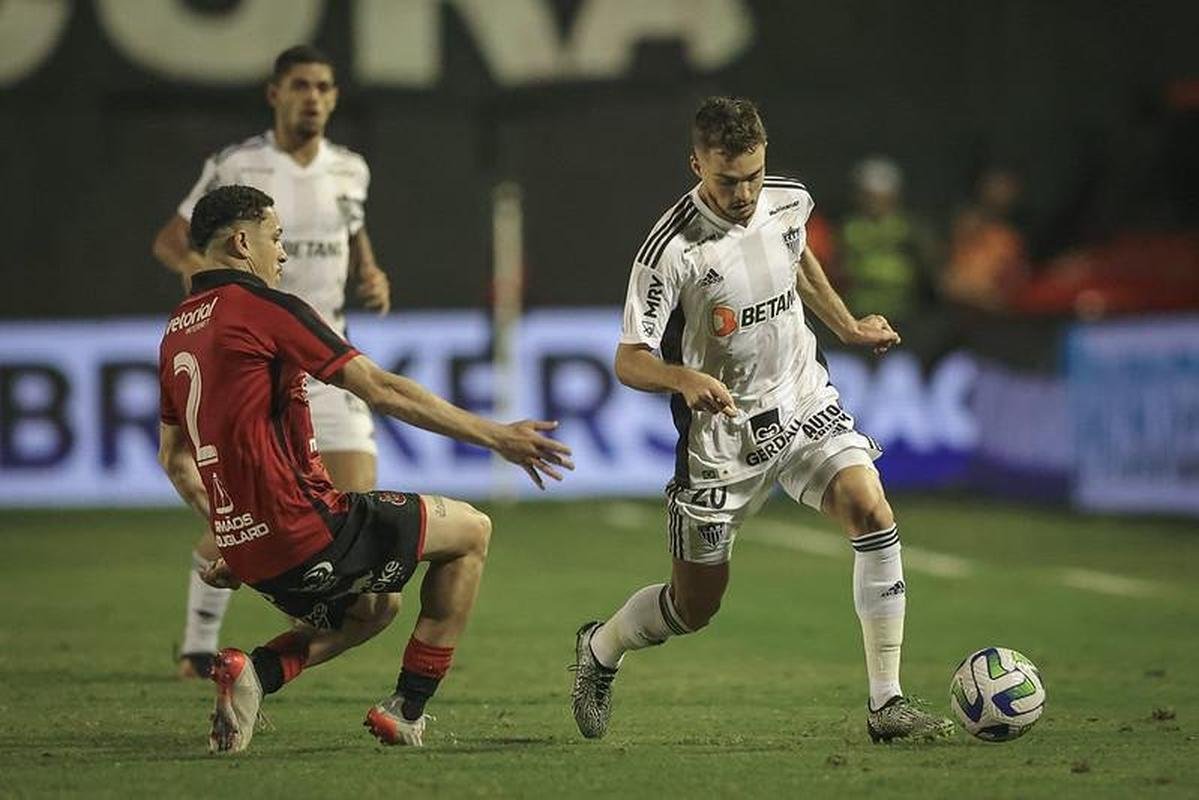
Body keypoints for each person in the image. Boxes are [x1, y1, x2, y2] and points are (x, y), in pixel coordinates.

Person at [570, 97, 954, 743]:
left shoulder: (789, 200)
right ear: (696, 165)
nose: (744, 193)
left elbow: (796, 259)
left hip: (802, 399)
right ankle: (601, 648)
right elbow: (629, 360)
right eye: (728, 180)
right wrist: (684, 378)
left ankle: (885, 703)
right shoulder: (669, 250)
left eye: (752, 174)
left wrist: (846, 325)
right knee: (693, 607)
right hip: (723, 439)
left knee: (870, 510)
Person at [158, 185, 572, 752]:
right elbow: (379, 388)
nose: (283, 253)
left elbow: (174, 458)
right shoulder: (265, 309)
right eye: (276, 238)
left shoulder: (176, 331)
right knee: (472, 531)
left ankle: (253, 673)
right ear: (241, 242)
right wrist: (495, 435)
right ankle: (407, 710)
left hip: (251, 551)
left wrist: (231, 533)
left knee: (376, 608)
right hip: (305, 527)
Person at [152, 45, 390, 678]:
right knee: (254, 511)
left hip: (328, 358)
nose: (314, 97)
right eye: (301, 85)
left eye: (324, 86)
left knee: (353, 516)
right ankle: (198, 647)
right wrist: (216, 298)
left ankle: (275, 658)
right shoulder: (238, 165)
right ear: (275, 94)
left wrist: (369, 269)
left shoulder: (351, 169)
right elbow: (174, 241)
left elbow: (349, 229)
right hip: (255, 362)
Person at [838, 156, 938, 327]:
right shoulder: (847, 228)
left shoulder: (910, 228)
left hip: (903, 314)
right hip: (856, 313)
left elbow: (928, 265)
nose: (874, 202)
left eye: (880, 196)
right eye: (868, 196)